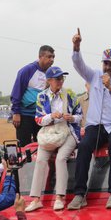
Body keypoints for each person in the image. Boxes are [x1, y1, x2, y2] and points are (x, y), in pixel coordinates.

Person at [68, 29, 111, 210]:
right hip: (96, 125)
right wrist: (76, 47)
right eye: (105, 63)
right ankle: (80, 194)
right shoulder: (94, 75)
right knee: (84, 146)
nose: (107, 67)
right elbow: (78, 65)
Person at [25, 66, 82, 212]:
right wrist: (51, 116)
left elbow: (80, 116)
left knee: (60, 158)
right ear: (49, 80)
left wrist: (72, 117)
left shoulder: (70, 94)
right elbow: (38, 119)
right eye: (57, 79)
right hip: (50, 133)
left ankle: (59, 197)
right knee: (40, 159)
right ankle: (36, 199)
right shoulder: (42, 96)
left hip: (68, 131)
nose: (60, 81)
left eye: (62, 78)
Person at [10, 45, 56, 146]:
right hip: (25, 115)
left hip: (42, 116)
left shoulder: (52, 73)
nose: (52, 60)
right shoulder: (27, 70)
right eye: (49, 57)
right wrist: (16, 112)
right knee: (24, 145)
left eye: (53, 57)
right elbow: (16, 92)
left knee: (42, 145)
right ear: (40, 57)